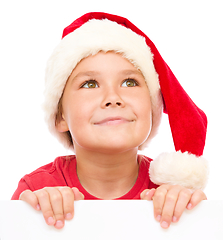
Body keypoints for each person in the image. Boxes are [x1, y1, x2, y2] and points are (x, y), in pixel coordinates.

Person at [11, 12, 208, 230]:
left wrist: (192, 211)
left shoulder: (172, 194)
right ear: (60, 117)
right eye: (90, 84)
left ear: (153, 109)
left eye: (130, 82)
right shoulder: (36, 192)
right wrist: (30, 218)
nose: (113, 98)